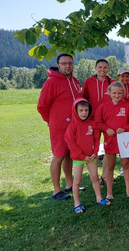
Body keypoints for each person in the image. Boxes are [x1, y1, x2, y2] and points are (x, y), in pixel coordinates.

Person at [37, 53, 82, 200]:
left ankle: (69, 184)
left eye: (70, 63)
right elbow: (42, 106)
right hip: (59, 128)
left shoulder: (74, 81)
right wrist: (52, 122)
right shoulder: (52, 82)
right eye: (64, 63)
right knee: (59, 156)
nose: (67, 66)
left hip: (74, 127)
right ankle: (56, 190)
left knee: (69, 155)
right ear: (58, 65)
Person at [64, 98, 111, 213]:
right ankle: (77, 203)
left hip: (91, 157)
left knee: (95, 178)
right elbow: (71, 143)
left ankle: (99, 198)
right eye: (81, 110)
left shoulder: (92, 124)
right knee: (77, 180)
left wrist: (95, 153)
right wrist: (82, 156)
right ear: (76, 111)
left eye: (86, 110)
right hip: (78, 158)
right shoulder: (72, 126)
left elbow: (96, 139)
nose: (84, 113)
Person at [95, 82, 129, 198]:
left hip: (124, 141)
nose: (117, 95)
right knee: (110, 166)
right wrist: (106, 129)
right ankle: (109, 192)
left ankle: (128, 191)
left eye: (119, 93)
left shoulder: (128, 106)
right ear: (109, 93)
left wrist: (125, 128)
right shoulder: (103, 107)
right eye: (114, 93)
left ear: (123, 93)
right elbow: (98, 122)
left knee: (126, 165)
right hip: (110, 141)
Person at [82, 59, 116, 187]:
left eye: (105, 67)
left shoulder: (112, 82)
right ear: (95, 68)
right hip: (92, 120)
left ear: (108, 69)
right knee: (93, 149)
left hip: (108, 121)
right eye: (100, 67)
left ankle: (105, 176)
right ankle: (95, 178)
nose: (103, 70)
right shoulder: (88, 82)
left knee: (109, 149)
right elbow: (84, 101)